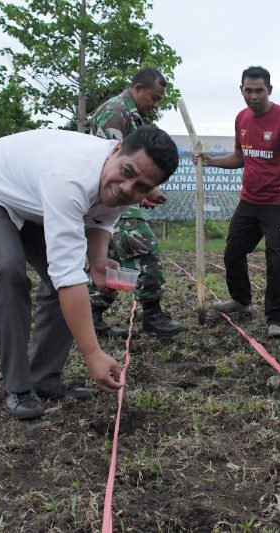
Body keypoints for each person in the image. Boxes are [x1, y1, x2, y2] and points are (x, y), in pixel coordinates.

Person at [0, 125, 179, 419]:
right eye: (128, 172)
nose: (128, 189)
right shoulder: (71, 178)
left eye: (142, 187)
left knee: (64, 281)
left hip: (30, 201)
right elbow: (67, 275)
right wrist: (92, 354)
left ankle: (44, 379)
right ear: (116, 150)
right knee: (8, 270)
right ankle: (18, 388)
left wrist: (97, 261)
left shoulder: (121, 179)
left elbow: (102, 219)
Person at [194, 65, 280, 338]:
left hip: (279, 202)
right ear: (241, 90)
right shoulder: (242, 118)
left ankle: (276, 318)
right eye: (249, 90)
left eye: (259, 90)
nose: (254, 96)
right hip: (250, 201)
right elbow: (240, 158)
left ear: (269, 90)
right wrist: (212, 162)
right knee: (233, 252)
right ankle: (241, 300)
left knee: (278, 261)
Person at [85, 67, 185, 338]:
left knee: (113, 257)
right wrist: (147, 190)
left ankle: (91, 314)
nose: (154, 104)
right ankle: (152, 315)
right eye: (153, 97)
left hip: (114, 199)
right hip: (109, 197)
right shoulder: (115, 113)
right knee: (144, 247)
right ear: (137, 88)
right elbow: (115, 164)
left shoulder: (132, 115)